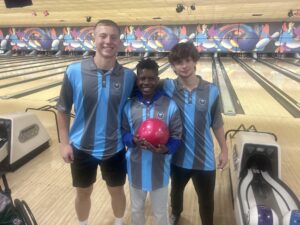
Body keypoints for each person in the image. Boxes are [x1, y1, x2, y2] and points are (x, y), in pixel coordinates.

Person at [56, 19, 136, 225]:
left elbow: (143, 104)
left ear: (119, 41)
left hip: (116, 147)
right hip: (82, 147)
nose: (108, 41)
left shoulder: (129, 77)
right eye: (103, 36)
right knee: (83, 193)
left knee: (117, 191)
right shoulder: (74, 71)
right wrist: (64, 143)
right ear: (94, 38)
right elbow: (62, 109)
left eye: (113, 37)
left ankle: (119, 222)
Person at [162, 42, 228, 225]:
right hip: (178, 158)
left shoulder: (212, 90)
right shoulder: (168, 87)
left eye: (188, 60)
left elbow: (217, 122)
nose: (184, 66)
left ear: (195, 61)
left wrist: (224, 149)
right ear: (173, 66)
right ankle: (176, 213)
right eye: (178, 62)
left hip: (205, 159)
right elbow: (144, 83)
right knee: (175, 192)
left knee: (207, 201)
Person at [122, 58, 182, 225]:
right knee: (136, 209)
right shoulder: (129, 106)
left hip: (160, 169)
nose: (146, 82)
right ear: (137, 80)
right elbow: (123, 132)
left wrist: (166, 149)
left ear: (157, 79)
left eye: (151, 78)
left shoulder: (170, 106)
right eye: (142, 78)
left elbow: (177, 136)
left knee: (160, 212)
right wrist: (131, 140)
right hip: (135, 168)